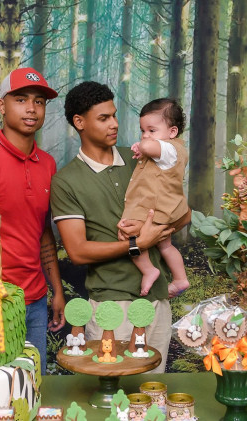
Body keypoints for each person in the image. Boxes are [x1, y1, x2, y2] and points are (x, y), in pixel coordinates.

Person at [50, 81, 174, 373]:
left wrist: (165, 224)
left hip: (158, 299)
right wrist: (138, 244)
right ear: (79, 122)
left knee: (152, 391)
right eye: (104, 118)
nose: (115, 124)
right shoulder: (66, 181)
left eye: (114, 115)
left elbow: (178, 210)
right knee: (114, 392)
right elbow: (78, 251)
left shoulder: (139, 159)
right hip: (112, 306)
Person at [0, 67, 66, 374]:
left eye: (39, 101)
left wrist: (56, 290)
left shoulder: (48, 164)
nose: (31, 108)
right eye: (21, 99)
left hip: (35, 300)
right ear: (1, 105)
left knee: (33, 384)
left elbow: (42, 231)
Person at [119, 98, 191, 297]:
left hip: (153, 208)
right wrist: (143, 146)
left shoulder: (169, 149)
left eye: (151, 130)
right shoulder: (165, 149)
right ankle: (180, 278)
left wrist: (142, 146)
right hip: (166, 208)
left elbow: (150, 147)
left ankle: (148, 269)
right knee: (166, 245)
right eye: (142, 130)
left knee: (128, 234)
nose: (145, 136)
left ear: (172, 132)